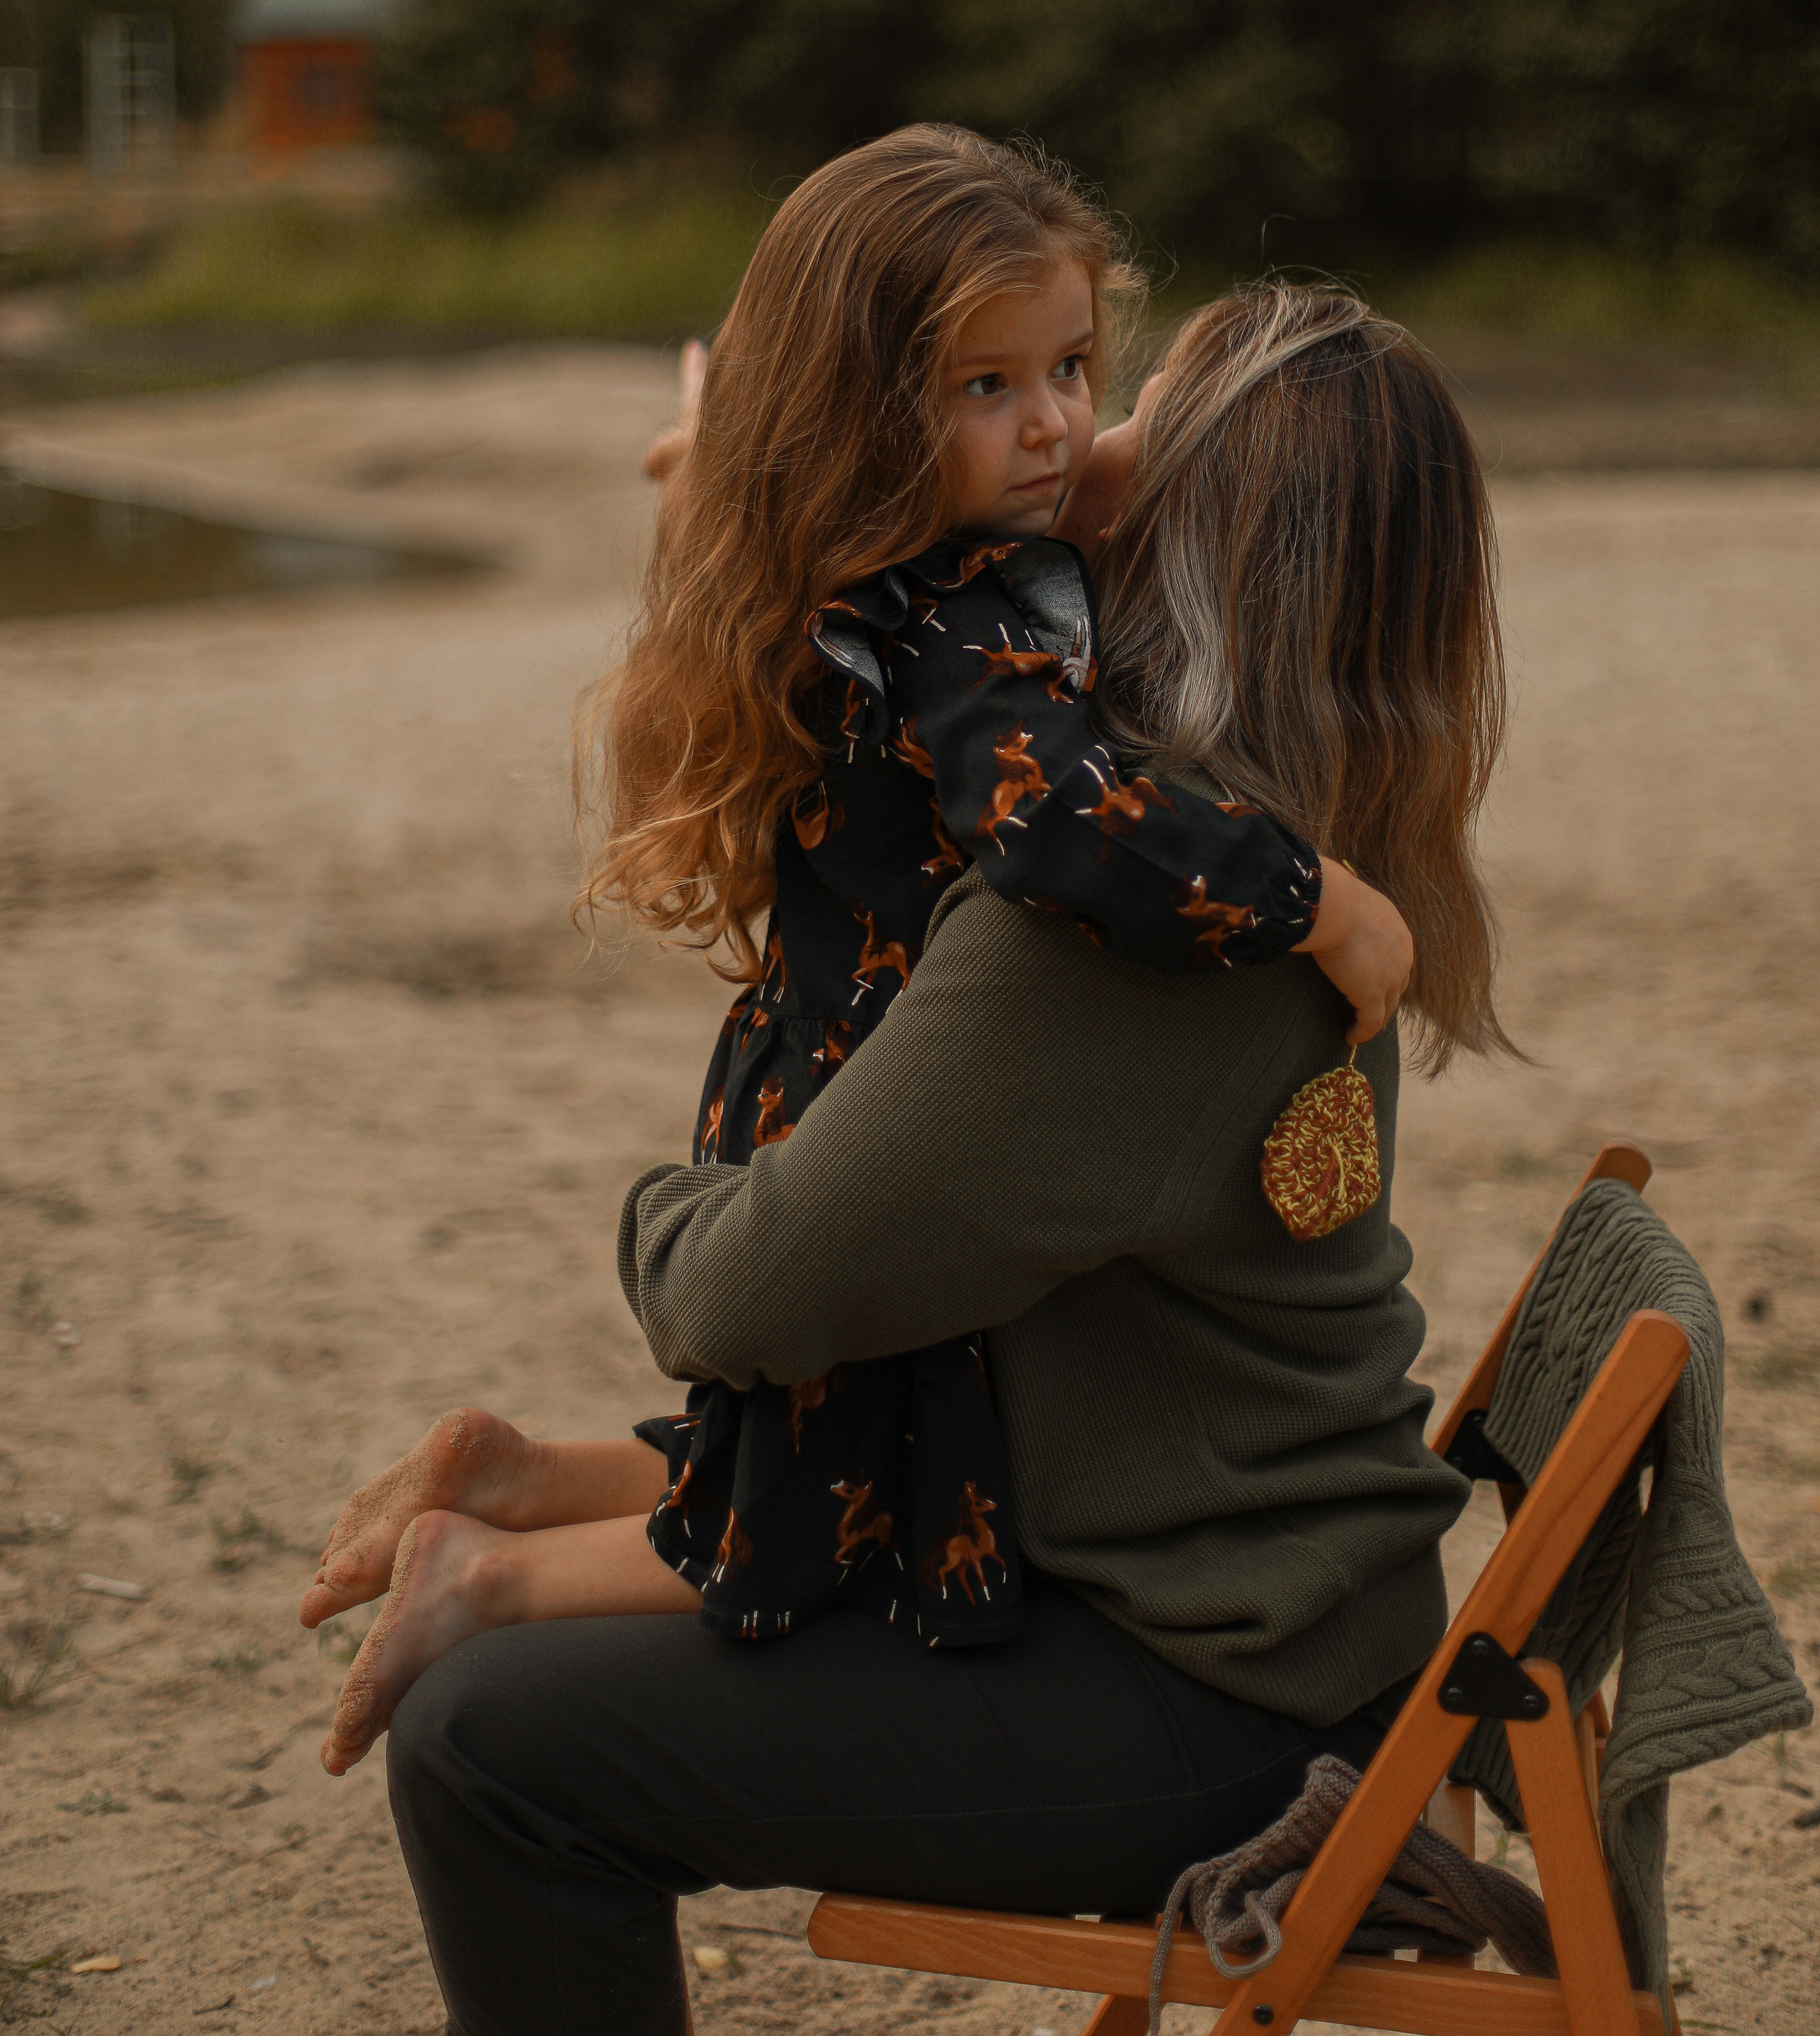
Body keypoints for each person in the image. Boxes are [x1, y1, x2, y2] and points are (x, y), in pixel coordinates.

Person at [333, 281, 1510, 2036]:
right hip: (1257, 1590)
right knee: (527, 1680)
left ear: (1197, 534)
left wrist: (668, 1209)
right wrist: (753, 507)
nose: (1080, 444)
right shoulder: (1249, 848)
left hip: (1218, 1690)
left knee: (487, 1747)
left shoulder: (1134, 933)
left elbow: (744, 1295)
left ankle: (513, 1549)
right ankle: (526, 1503)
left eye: (1133, 416)